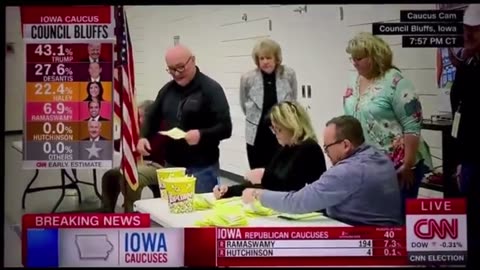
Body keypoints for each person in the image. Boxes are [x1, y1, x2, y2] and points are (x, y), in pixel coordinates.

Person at [242, 115, 403, 226]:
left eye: (327, 148)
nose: (327, 153)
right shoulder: (380, 158)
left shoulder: (348, 171)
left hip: (365, 240)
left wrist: (258, 195)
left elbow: (297, 202)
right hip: (390, 234)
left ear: (346, 145)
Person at [342, 32, 433, 213]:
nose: (354, 62)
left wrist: (407, 165)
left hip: (400, 162)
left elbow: (412, 124)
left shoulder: (395, 81)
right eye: (352, 58)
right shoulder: (354, 80)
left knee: (396, 218)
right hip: (370, 163)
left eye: (359, 58)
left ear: (375, 56)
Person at [138, 45, 232, 194]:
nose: (176, 74)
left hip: (203, 167)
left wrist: (201, 135)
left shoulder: (211, 89)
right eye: (171, 69)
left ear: (193, 61)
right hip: (172, 165)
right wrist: (143, 137)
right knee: (171, 211)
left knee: (200, 212)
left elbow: (226, 128)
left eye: (180, 67)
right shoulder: (166, 90)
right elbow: (152, 116)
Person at [213, 101, 326, 199]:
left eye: (279, 130)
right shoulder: (284, 148)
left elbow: (291, 188)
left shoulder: (309, 149)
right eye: (273, 129)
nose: (275, 134)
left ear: (292, 126)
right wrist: (229, 191)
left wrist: (264, 177)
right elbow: (266, 183)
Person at [449, 4, 480, 267]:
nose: (468, 35)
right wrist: (459, 160)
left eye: (475, 30)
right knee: (470, 222)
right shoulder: (467, 63)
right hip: (469, 158)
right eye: (466, 30)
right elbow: (458, 106)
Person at [240, 38, 298, 169]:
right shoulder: (247, 78)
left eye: (268, 57)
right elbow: (244, 105)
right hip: (257, 135)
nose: (265, 62)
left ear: (276, 58)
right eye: (261, 58)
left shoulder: (288, 74)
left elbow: (293, 100)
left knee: (282, 172)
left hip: (283, 132)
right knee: (258, 174)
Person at [101, 100, 167, 212]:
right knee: (109, 175)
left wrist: (131, 145)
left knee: (133, 176)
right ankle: (107, 213)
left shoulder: (162, 127)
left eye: (141, 116)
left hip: (158, 166)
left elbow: (149, 150)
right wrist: (104, 140)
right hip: (137, 164)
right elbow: (121, 145)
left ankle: (130, 214)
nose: (138, 119)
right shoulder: (138, 129)